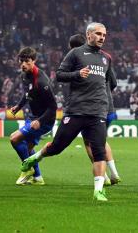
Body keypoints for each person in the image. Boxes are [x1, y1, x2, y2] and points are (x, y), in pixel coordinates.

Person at [21, 23, 114, 202]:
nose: (102, 37)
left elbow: (107, 82)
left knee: (99, 151)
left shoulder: (106, 58)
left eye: (104, 35)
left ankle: (99, 191)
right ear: (89, 35)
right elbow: (60, 75)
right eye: (98, 34)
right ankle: (35, 158)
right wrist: (77, 74)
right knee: (57, 147)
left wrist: (105, 102)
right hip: (76, 110)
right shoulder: (76, 53)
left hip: (98, 112)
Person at [68, 33, 121, 186]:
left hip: (92, 109)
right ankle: (114, 173)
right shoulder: (101, 58)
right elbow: (114, 82)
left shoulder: (77, 60)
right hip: (109, 108)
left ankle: (102, 175)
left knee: (89, 143)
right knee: (101, 140)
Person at [10, 47, 57, 185]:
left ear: (34, 61)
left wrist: (40, 121)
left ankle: (27, 169)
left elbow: (53, 107)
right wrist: (19, 106)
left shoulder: (42, 81)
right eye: (21, 61)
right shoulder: (24, 75)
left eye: (27, 61)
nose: (23, 64)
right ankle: (38, 178)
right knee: (28, 148)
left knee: (14, 139)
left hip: (45, 120)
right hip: (32, 117)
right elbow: (27, 95)